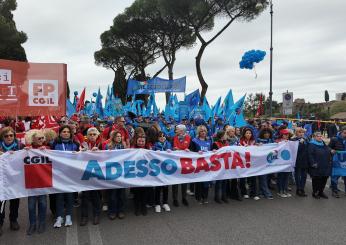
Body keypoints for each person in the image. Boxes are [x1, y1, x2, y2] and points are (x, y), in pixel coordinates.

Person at [52, 125, 80, 228]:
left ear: (70, 133)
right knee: (59, 197)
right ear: (60, 133)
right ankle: (59, 217)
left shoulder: (75, 144)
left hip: (70, 175)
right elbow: (44, 151)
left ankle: (68, 216)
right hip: (58, 174)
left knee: (69, 196)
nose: (66, 133)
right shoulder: (54, 143)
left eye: (68, 132)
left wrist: (82, 151)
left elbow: (81, 155)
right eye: (64, 131)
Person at [24, 130, 49, 235]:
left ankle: (42, 223)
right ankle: (32, 224)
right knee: (31, 205)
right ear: (33, 139)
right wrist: (23, 152)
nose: (41, 140)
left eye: (42, 138)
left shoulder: (47, 148)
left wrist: (46, 150)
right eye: (39, 138)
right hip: (31, 183)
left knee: (43, 204)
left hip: (43, 181)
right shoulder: (27, 150)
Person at [0, 127, 23, 236]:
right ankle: (0, 223)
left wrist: (28, 151)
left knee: (14, 201)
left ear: (14, 136)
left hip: (15, 179)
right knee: (1, 202)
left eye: (11, 135)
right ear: (2, 137)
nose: (9, 137)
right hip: (2, 180)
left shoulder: (20, 147)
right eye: (6, 136)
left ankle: (13, 220)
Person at [80, 127, 102, 226]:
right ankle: (84, 216)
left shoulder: (102, 143)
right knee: (85, 196)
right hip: (86, 173)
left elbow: (110, 155)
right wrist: (81, 152)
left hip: (97, 174)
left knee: (96, 196)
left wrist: (100, 151)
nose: (92, 136)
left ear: (97, 135)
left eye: (94, 134)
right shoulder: (83, 144)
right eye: (90, 134)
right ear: (87, 136)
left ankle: (96, 215)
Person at [104, 130, 126, 220]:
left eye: (120, 136)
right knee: (112, 195)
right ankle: (112, 211)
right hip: (111, 173)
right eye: (117, 136)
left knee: (121, 194)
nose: (119, 138)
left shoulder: (124, 147)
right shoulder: (108, 146)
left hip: (121, 173)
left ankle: (120, 210)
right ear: (113, 137)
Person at [190, 125, 212, 204]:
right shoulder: (194, 141)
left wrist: (214, 150)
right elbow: (191, 151)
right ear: (198, 132)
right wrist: (196, 152)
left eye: (204, 131)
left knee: (206, 181)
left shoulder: (209, 141)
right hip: (198, 164)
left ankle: (205, 197)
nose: (203, 132)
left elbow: (212, 150)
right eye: (201, 131)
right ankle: (198, 198)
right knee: (199, 181)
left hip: (207, 164)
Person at [308, 132, 332, 199]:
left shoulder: (323, 143)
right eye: (318, 136)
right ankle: (315, 192)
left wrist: (331, 151)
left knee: (324, 179)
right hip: (317, 165)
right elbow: (310, 155)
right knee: (316, 180)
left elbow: (328, 149)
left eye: (320, 136)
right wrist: (312, 163)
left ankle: (321, 192)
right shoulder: (311, 144)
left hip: (325, 164)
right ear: (314, 137)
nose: (320, 137)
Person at [152, 132, 172, 213]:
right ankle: (157, 204)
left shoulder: (169, 145)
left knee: (166, 187)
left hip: (167, 169)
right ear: (157, 138)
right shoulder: (155, 145)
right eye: (160, 136)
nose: (162, 137)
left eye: (163, 136)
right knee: (158, 187)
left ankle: (165, 203)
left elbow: (174, 154)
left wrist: (171, 151)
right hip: (158, 169)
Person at [172, 124, 191, 207]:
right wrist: (181, 149)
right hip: (176, 161)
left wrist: (180, 149)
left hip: (185, 161)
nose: (176, 130)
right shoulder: (175, 137)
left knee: (184, 180)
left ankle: (184, 198)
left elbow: (185, 147)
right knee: (175, 180)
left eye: (177, 129)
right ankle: (175, 199)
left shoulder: (188, 137)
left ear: (182, 130)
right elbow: (175, 147)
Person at [132, 132, 149, 216]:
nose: (141, 142)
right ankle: (137, 207)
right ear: (136, 141)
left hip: (146, 175)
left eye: (143, 141)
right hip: (136, 174)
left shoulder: (149, 150)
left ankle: (143, 207)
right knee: (137, 192)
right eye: (139, 141)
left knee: (145, 192)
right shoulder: (131, 150)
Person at [239, 128, 258, 200]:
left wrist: (259, 146)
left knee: (253, 177)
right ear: (244, 134)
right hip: (243, 162)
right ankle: (244, 193)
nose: (248, 134)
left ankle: (254, 193)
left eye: (250, 133)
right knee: (243, 178)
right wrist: (243, 147)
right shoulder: (240, 142)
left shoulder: (254, 141)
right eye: (247, 133)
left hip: (252, 162)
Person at [212, 130, 229, 203]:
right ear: (222, 136)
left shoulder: (227, 143)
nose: (226, 135)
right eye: (225, 134)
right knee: (219, 181)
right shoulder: (215, 144)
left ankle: (224, 196)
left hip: (226, 163)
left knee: (225, 181)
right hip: (219, 164)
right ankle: (217, 196)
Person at [291, 127, 309, 197]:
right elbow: (294, 151)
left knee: (304, 176)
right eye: (299, 132)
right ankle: (298, 189)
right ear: (296, 133)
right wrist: (300, 144)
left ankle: (302, 188)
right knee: (298, 175)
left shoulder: (306, 139)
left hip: (305, 160)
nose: (301, 133)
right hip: (297, 160)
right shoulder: (293, 140)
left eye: (302, 132)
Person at [256, 129, 274, 199]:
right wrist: (257, 145)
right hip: (261, 162)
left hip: (269, 162)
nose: (267, 134)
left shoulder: (271, 141)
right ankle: (267, 193)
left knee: (267, 178)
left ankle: (261, 192)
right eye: (265, 133)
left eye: (268, 133)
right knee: (263, 177)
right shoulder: (258, 140)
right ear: (262, 134)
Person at [329, 126, 346, 198]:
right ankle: (334, 191)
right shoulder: (334, 139)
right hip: (336, 161)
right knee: (335, 176)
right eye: (345, 133)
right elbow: (328, 147)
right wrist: (331, 150)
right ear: (341, 132)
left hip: (345, 161)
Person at [276, 129, 292, 198]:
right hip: (280, 163)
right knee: (281, 177)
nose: (287, 136)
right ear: (281, 135)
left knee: (286, 177)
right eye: (285, 134)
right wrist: (282, 143)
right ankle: (280, 191)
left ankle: (285, 190)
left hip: (287, 162)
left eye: (287, 134)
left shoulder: (290, 142)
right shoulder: (277, 141)